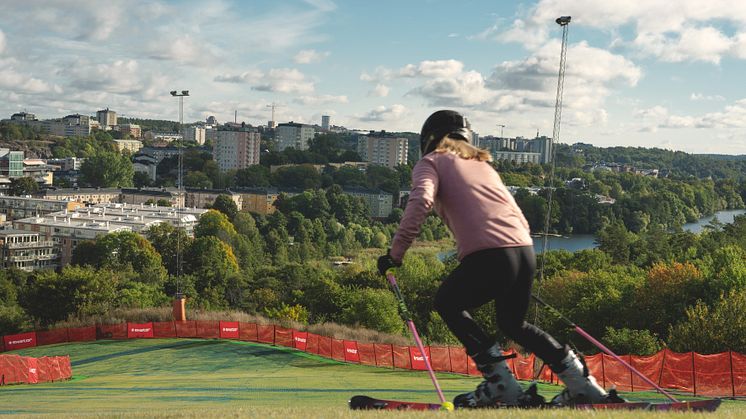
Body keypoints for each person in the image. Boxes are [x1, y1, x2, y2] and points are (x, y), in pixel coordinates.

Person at [378, 110, 618, 408]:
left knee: (447, 303)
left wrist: (395, 254)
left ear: (428, 140)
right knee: (513, 324)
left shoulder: (431, 162)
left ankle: (501, 385)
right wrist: (514, 266)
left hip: (489, 255)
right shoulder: (483, 166)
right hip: (523, 250)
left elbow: (421, 201)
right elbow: (514, 212)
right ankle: (584, 386)